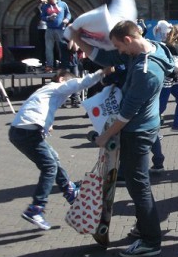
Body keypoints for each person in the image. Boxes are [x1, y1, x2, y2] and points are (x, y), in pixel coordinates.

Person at [70, 20, 175, 257]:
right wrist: (77, 38)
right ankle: (143, 229)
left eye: (119, 46)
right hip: (142, 127)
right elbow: (106, 58)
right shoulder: (149, 48)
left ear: (128, 40)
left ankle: (151, 240)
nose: (118, 52)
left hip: (138, 131)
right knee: (137, 183)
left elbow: (127, 113)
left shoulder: (145, 71)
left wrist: (105, 136)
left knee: (138, 185)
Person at [10, 68, 107, 230]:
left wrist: (46, 124)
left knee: (53, 157)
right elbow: (80, 83)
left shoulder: (45, 91)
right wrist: (101, 73)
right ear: (62, 79)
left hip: (22, 131)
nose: (68, 96)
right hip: (26, 132)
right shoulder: (57, 87)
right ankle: (36, 208)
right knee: (49, 167)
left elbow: (36, 106)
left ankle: (69, 191)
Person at [160, 25, 178, 133]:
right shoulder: (173, 47)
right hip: (167, 80)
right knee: (161, 106)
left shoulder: (173, 45)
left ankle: (177, 123)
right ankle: (153, 130)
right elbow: (174, 66)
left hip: (173, 79)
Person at [40, 0, 72, 70]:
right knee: (48, 48)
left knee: (61, 47)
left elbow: (68, 14)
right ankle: (50, 65)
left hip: (60, 29)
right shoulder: (45, 6)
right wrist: (48, 18)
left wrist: (67, 19)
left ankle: (63, 64)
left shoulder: (63, 4)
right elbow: (42, 17)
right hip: (49, 29)